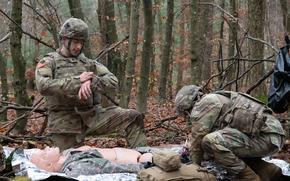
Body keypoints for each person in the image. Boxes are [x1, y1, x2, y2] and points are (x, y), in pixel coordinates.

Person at [35, 18, 147, 151]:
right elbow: (43, 86)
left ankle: (145, 158)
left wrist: (91, 81)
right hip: (65, 122)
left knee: (133, 117)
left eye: (81, 43)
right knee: (68, 164)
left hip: (93, 117)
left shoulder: (89, 63)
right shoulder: (49, 62)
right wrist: (78, 81)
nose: (78, 47)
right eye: (75, 42)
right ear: (64, 39)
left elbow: (112, 81)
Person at [174, 85, 285, 181]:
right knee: (220, 146)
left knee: (210, 141)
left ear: (188, 106)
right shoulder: (217, 99)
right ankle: (266, 170)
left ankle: (248, 178)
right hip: (270, 136)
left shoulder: (204, 103)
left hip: (265, 137)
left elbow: (197, 140)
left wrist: (193, 167)